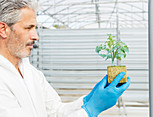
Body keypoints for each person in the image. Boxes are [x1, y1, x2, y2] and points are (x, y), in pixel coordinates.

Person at [0, 0, 130, 117]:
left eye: (35, 28)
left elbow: (56, 112)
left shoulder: (32, 73)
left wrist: (88, 100)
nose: (36, 36)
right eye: (28, 28)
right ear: (3, 29)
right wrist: (91, 110)